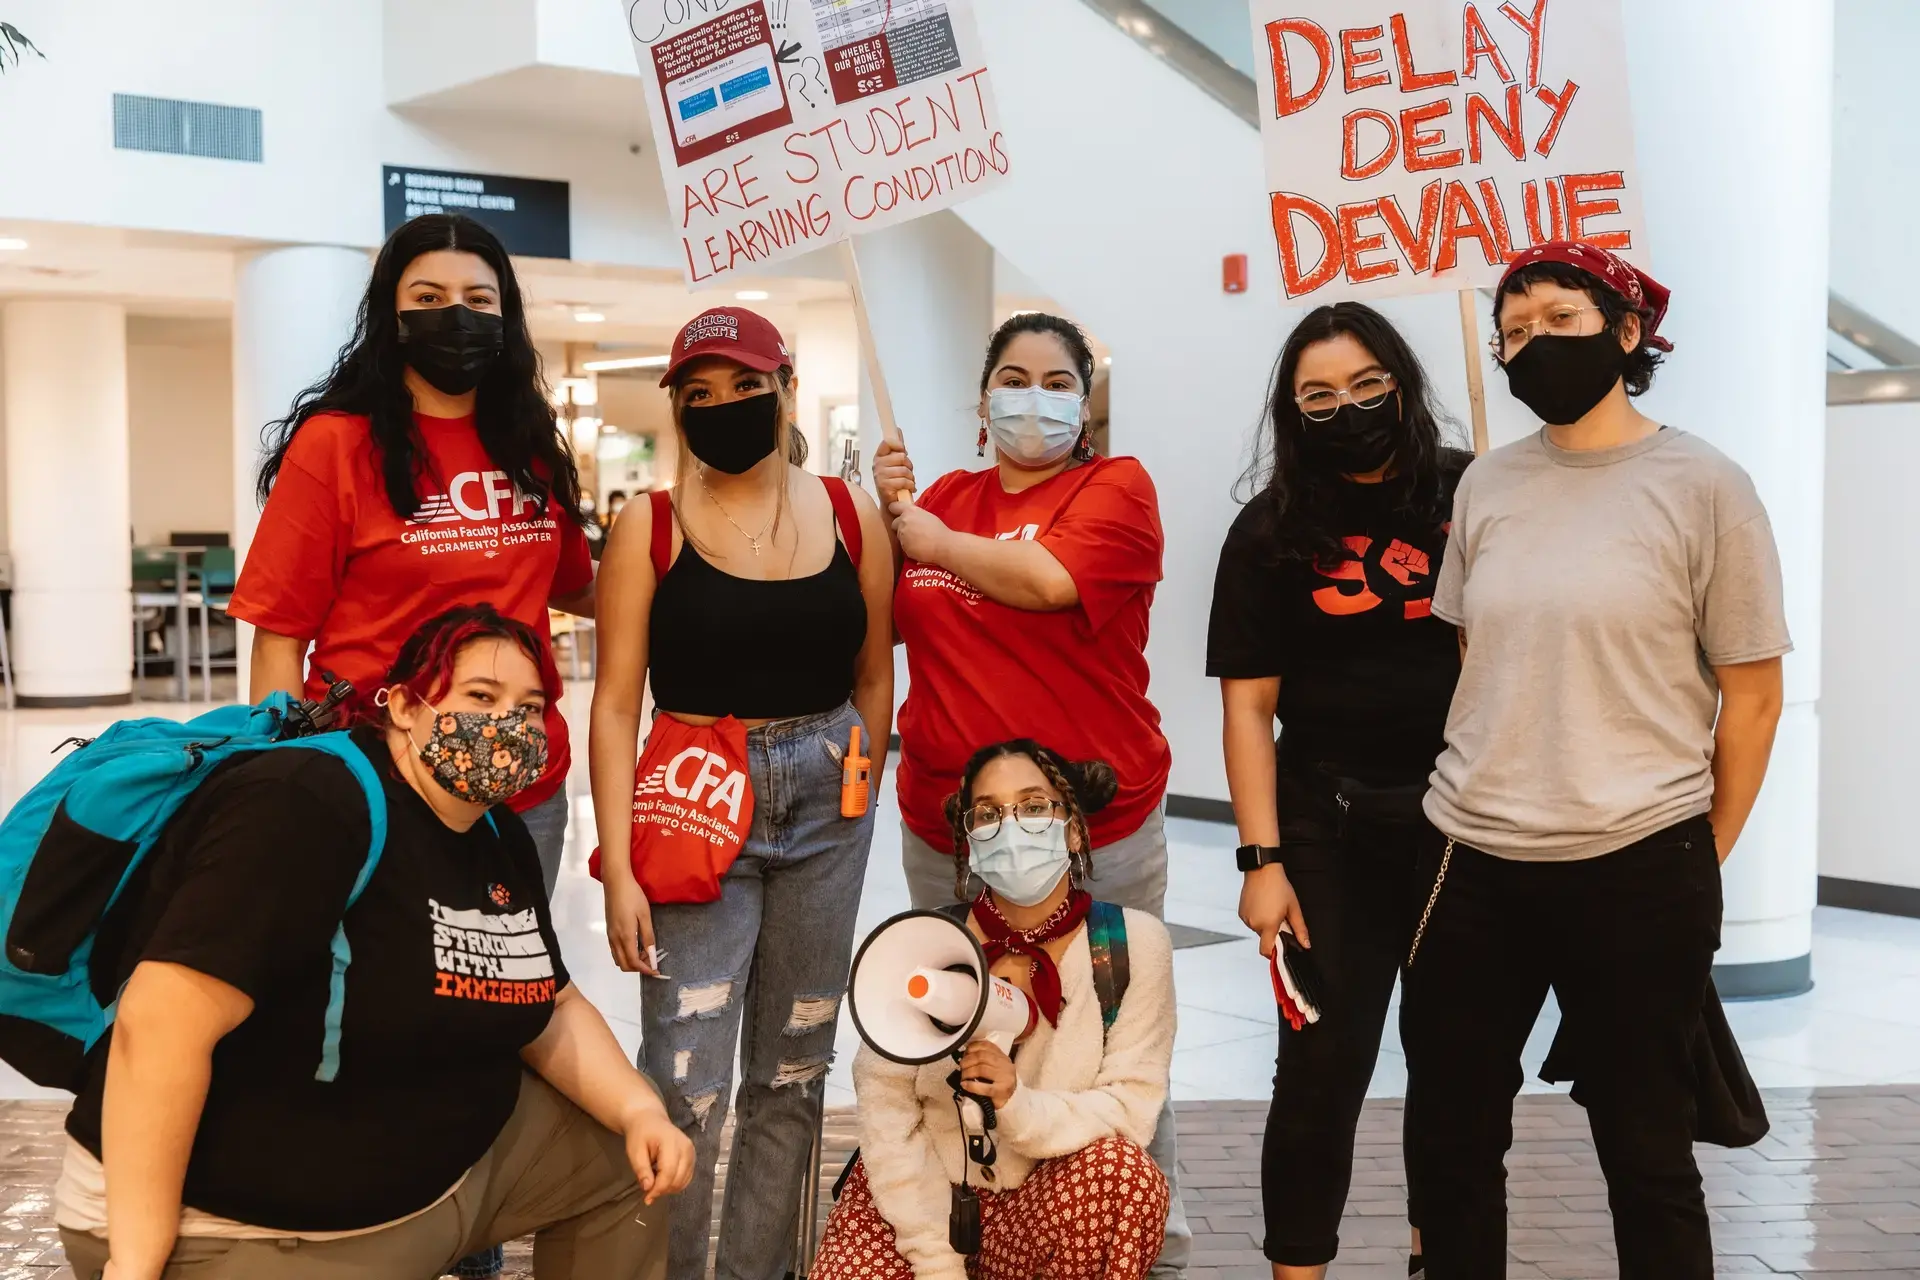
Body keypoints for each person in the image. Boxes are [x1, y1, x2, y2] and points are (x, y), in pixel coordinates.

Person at [55, 605, 693, 1280]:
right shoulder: (307, 802)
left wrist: (638, 1109)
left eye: (530, 707)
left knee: (624, 1155)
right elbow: (157, 1029)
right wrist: (136, 1262)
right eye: (480, 696)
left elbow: (552, 1005)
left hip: (421, 1181)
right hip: (246, 1226)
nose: (508, 725)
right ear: (404, 708)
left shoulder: (496, 834)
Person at [1402, 241, 1791, 1280]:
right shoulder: (1487, 485)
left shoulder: (1707, 485)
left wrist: (1697, 852)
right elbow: (1474, 652)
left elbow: (1752, 696)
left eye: (1559, 320)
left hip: (1639, 858)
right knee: (1449, 1142)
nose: (1534, 345)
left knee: (1647, 1152)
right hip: (1474, 853)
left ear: (1626, 332)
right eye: (1515, 330)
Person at [873, 313, 1186, 1275]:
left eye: (1058, 382)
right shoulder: (942, 496)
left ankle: (1141, 1242)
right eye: (1013, 377)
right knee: (951, 1034)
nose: (1034, 397)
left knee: (1110, 1043)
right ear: (981, 400)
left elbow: (1049, 582)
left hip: (1100, 832)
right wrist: (881, 515)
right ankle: (971, 1235)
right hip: (949, 830)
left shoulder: (1115, 489)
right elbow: (883, 622)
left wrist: (928, 535)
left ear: (1084, 403)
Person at [590, 306, 894, 1280]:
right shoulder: (649, 524)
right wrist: (617, 871)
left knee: (793, 1069)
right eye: (699, 395)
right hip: (690, 797)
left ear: (785, 387)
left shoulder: (853, 515)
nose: (723, 408)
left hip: (825, 798)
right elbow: (612, 703)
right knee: (684, 1079)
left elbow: (874, 674)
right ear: (676, 406)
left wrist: (862, 779)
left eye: (743, 388)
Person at [1207, 302, 1470, 1280]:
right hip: (1328, 824)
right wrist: (1262, 859)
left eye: (1365, 385)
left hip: (1462, 825)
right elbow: (1249, 710)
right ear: (1291, 410)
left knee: (1456, 1070)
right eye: (1319, 394)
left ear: (1401, 383)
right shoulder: (1269, 528)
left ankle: (1432, 1254)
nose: (1346, 407)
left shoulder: (1469, 493)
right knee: (1321, 1069)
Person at [230, 212, 594, 902]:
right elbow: (279, 637)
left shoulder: (529, 447)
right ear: (390, 315)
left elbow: (578, 587)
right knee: (382, 997)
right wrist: (282, 788)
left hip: (522, 785)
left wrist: (707, 566)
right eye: (428, 298)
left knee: (509, 996)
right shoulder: (337, 445)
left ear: (505, 315)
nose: (455, 316)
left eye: (478, 300)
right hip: (379, 782)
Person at [814, 740, 1174, 1280]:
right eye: (988, 814)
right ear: (970, 842)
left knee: (1125, 1179)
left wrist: (1017, 1103)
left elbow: (1128, 1108)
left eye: (1032, 807)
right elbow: (887, 1111)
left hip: (1045, 1203)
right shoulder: (926, 943)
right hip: (925, 1197)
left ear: (1073, 829)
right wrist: (937, 1263)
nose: (1010, 828)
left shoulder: (1126, 947)